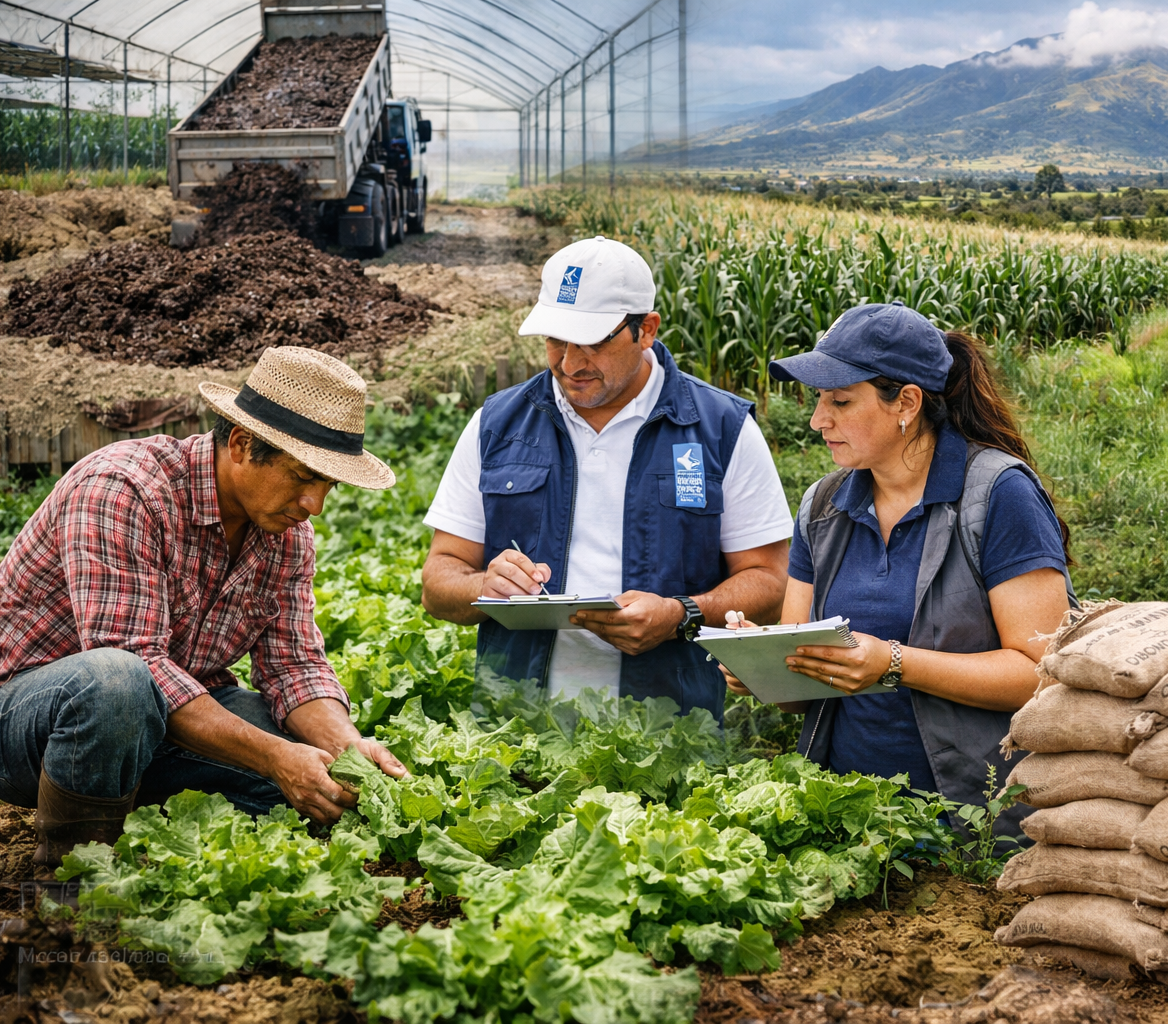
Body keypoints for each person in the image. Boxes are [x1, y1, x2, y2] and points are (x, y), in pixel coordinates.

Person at [0, 347, 411, 870]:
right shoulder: (124, 489)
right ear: (241, 444)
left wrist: (348, 750)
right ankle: (74, 875)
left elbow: (294, 665)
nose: (315, 505)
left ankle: (156, 835)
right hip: (27, 724)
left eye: (328, 484)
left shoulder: (287, 535)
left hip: (160, 727)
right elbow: (137, 662)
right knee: (116, 680)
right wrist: (275, 760)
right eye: (304, 476)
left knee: (309, 760)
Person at [723, 301, 1076, 836]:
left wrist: (894, 663)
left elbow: (1041, 674)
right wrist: (760, 662)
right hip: (849, 821)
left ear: (906, 402)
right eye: (820, 400)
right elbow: (803, 688)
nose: (819, 420)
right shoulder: (823, 506)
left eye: (841, 401)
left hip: (973, 824)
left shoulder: (998, 495)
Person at [421, 236, 793, 720]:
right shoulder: (497, 424)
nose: (571, 363)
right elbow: (438, 581)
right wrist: (488, 588)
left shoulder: (721, 428)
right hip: (515, 728)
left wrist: (681, 615)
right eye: (556, 339)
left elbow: (771, 582)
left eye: (594, 342)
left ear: (646, 330)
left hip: (671, 732)